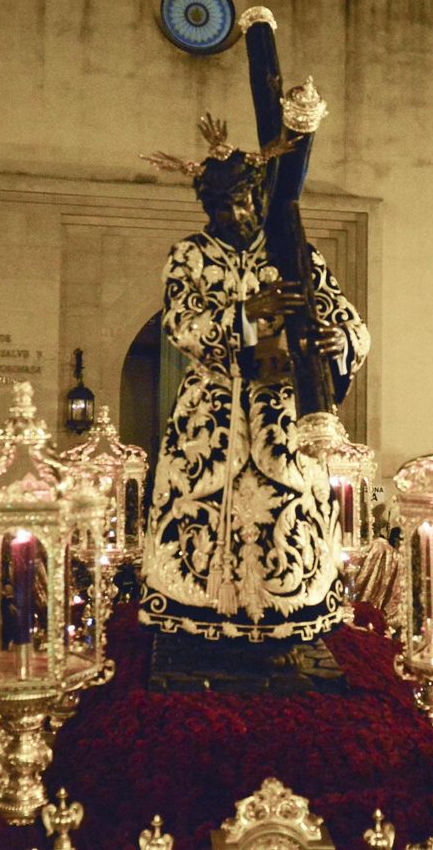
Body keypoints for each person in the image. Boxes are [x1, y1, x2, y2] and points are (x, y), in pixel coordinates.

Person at [137, 112, 369, 641]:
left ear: (261, 197)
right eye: (221, 207)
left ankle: (287, 616)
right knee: (199, 515)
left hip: (280, 414)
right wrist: (247, 313)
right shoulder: (190, 255)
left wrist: (342, 342)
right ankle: (196, 615)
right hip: (211, 416)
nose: (235, 215)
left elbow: (347, 319)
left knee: (285, 515)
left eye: (243, 202)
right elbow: (181, 324)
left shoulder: (294, 252)